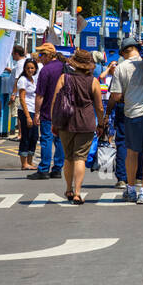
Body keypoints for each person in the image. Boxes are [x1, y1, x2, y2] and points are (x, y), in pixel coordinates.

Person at [108, 37, 143, 205]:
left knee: (132, 152)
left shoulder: (121, 67)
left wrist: (112, 108)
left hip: (133, 114)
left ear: (125, 52)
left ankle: (131, 189)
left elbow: (116, 96)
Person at [48, 48, 106, 205]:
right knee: (80, 157)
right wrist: (101, 124)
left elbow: (55, 101)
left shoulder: (64, 78)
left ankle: (68, 188)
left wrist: (55, 122)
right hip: (86, 122)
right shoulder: (93, 81)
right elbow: (99, 108)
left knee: (68, 157)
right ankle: (78, 193)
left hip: (66, 121)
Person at [29, 43, 66, 180]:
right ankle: (57, 169)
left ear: (47, 55)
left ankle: (44, 168)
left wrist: (37, 113)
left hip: (48, 111)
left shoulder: (45, 70)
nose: (39, 58)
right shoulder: (64, 67)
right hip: (63, 110)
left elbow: (40, 95)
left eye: (41, 55)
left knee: (46, 139)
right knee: (60, 140)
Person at [16, 58, 40, 170]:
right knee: (26, 136)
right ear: (24, 69)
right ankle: (24, 163)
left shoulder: (33, 79)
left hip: (33, 111)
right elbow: (22, 98)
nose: (30, 70)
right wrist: (27, 117)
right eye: (28, 68)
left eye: (32, 68)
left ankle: (30, 162)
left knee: (34, 136)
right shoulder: (23, 80)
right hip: (26, 111)